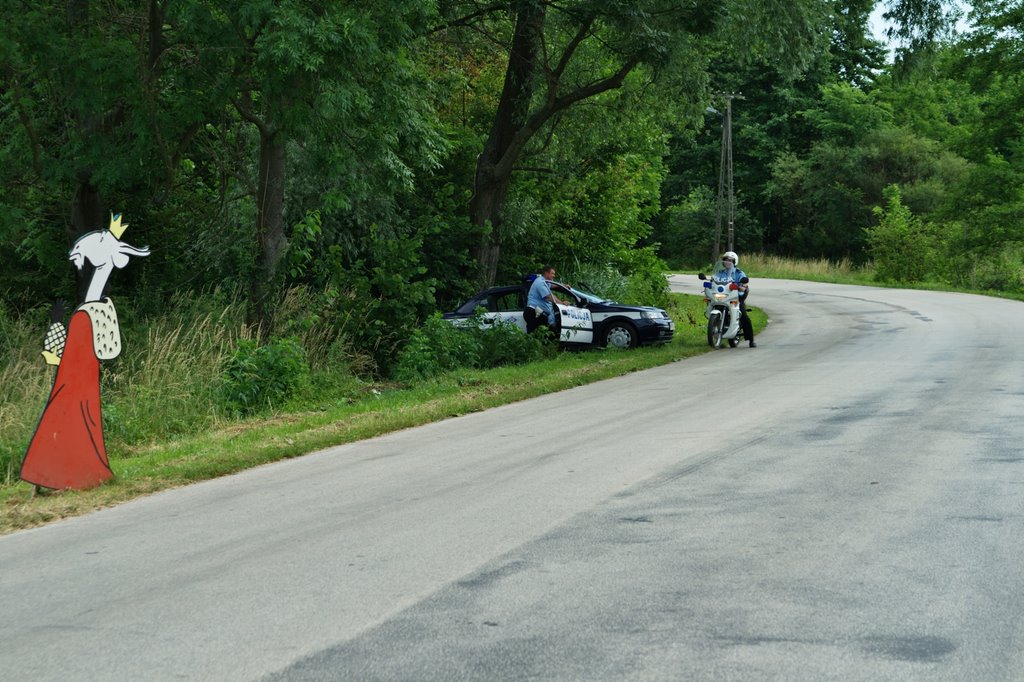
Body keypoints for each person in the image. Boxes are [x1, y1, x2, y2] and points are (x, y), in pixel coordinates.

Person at [20, 213, 150, 490]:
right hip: (76, 383)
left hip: (75, 384)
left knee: (65, 423)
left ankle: (59, 477)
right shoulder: (93, 312)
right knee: (68, 424)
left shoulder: (91, 314)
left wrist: (56, 329)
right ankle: (53, 477)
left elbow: (76, 355)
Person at [715, 251, 756, 348]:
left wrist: (741, 287)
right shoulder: (720, 273)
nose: (727, 262)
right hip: (723, 296)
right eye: (725, 260)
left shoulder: (739, 273)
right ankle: (716, 332)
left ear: (734, 262)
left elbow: (744, 284)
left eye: (730, 260)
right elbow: (714, 281)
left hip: (736, 297)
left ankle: (751, 339)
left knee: (743, 316)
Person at [524, 265, 567, 335]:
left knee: (542, 336)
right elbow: (549, 297)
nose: (554, 276)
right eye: (552, 273)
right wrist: (562, 303)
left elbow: (552, 285)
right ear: (546, 273)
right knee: (536, 337)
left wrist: (562, 285)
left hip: (538, 314)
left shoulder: (545, 282)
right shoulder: (540, 282)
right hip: (533, 313)